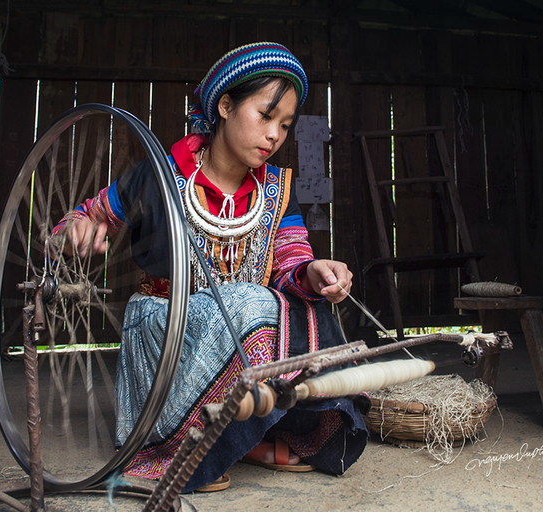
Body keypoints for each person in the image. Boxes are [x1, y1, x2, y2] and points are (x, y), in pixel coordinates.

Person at [55, 41, 368, 492]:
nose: (275, 135)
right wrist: (75, 234)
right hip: (167, 338)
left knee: (303, 307)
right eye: (265, 116)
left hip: (241, 332)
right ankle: (181, 443)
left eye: (284, 124)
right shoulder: (160, 176)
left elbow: (290, 261)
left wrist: (314, 272)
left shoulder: (277, 190)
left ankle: (246, 438)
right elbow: (84, 217)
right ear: (224, 105)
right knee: (253, 307)